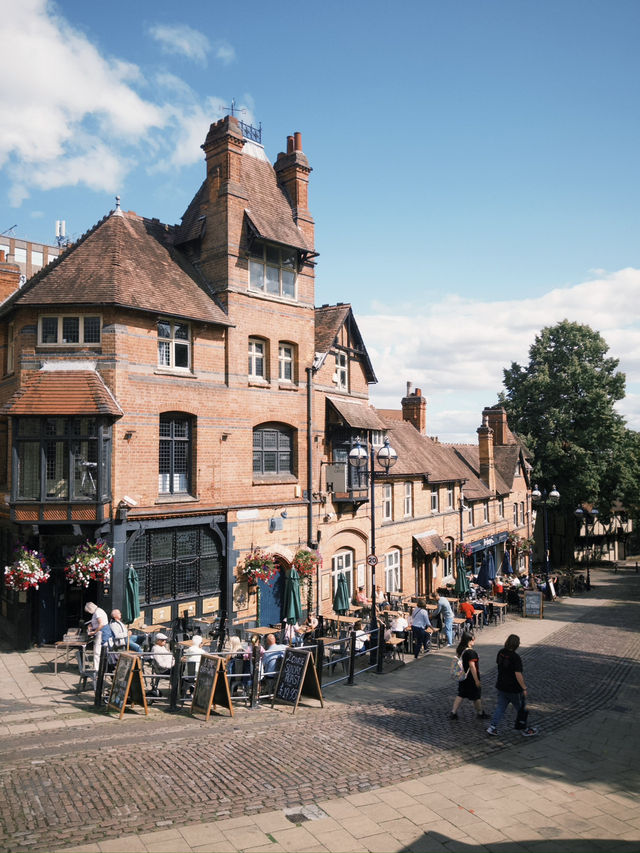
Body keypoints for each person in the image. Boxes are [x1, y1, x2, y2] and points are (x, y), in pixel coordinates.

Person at [486, 634, 538, 737]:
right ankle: (525, 729)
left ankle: (492, 727)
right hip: (513, 688)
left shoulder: (501, 652)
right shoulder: (515, 657)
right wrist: (524, 687)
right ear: (516, 644)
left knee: (500, 707)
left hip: (501, 685)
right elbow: (517, 674)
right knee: (520, 709)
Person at [449, 632, 489, 720]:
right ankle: (480, 713)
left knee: (461, 694)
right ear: (468, 641)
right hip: (471, 678)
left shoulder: (461, 650)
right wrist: (476, 680)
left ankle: (453, 712)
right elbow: (472, 666)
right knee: (476, 696)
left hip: (463, 677)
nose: (474, 641)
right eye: (472, 639)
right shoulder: (471, 653)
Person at [147, 632, 174, 697]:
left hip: (169, 666)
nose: (165, 641)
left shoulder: (162, 647)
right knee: (180, 673)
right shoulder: (156, 649)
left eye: (165, 640)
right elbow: (160, 663)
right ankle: (177, 691)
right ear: (158, 641)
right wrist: (172, 665)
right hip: (164, 669)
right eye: (163, 640)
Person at [85, 602, 108, 671]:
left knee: (97, 652)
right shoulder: (97, 611)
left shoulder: (98, 612)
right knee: (99, 652)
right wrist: (90, 625)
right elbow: (95, 622)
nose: (89, 613)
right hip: (101, 632)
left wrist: (94, 632)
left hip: (101, 632)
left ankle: (96, 669)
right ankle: (98, 668)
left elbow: (101, 624)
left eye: (88, 611)